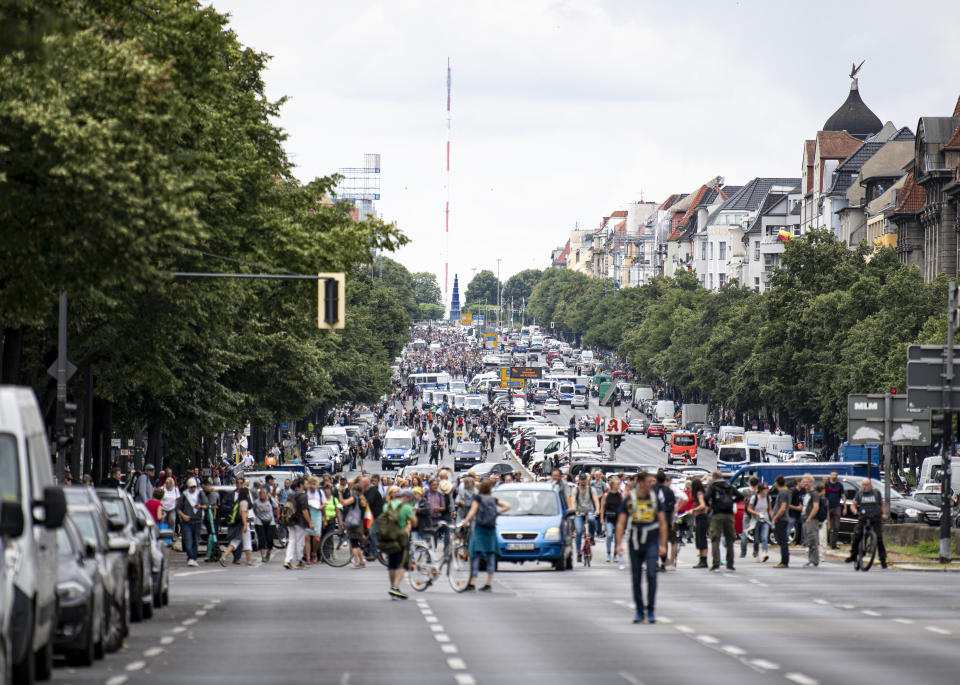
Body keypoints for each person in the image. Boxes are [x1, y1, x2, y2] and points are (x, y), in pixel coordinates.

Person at [615, 472, 668, 624]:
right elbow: (620, 523)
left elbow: (663, 523)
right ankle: (639, 610)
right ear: (641, 482)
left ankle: (650, 609)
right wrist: (619, 544)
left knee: (652, 574)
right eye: (650, 481)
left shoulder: (655, 499)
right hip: (635, 541)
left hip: (651, 540)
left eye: (654, 481)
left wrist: (663, 545)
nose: (653, 484)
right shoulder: (630, 499)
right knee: (636, 577)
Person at [462, 478, 510, 591]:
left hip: (479, 529)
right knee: (490, 556)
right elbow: (507, 506)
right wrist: (496, 513)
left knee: (475, 556)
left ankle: (472, 583)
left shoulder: (478, 498)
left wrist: (465, 521)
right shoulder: (493, 500)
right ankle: (488, 584)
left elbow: (473, 511)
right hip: (491, 530)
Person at [381, 488, 417, 599]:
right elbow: (414, 522)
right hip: (401, 537)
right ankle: (395, 587)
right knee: (403, 563)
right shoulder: (406, 507)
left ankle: (393, 587)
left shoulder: (387, 506)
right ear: (407, 497)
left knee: (392, 563)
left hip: (389, 537)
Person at [845, 478, 888, 570]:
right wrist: (854, 510)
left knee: (879, 539)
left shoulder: (876, 493)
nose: (865, 487)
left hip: (875, 517)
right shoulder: (860, 493)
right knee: (857, 535)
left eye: (866, 485)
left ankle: (883, 559)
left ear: (870, 485)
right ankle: (853, 554)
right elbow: (853, 504)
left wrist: (884, 513)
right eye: (863, 485)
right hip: (863, 517)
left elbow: (882, 503)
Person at [705, 471, 742, 571]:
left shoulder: (713, 487)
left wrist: (710, 505)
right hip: (729, 514)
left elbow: (706, 497)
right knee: (730, 539)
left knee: (715, 539)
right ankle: (730, 563)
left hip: (717, 514)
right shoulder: (728, 486)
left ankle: (716, 563)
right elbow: (740, 496)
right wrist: (731, 501)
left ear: (714, 477)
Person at [176, 478, 207, 567]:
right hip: (187, 521)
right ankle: (191, 556)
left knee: (196, 540)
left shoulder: (200, 493)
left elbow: (207, 505)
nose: (192, 489)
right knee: (188, 540)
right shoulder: (185, 495)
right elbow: (178, 508)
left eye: (194, 487)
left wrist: (201, 506)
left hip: (197, 520)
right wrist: (183, 516)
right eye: (191, 487)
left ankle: (192, 558)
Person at [219, 486, 254, 567]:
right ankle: (249, 561)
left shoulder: (238, 501)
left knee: (235, 541)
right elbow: (243, 513)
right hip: (243, 524)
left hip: (238, 524)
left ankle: (224, 556)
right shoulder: (244, 502)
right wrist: (245, 524)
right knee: (247, 542)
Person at [283, 478, 311, 570]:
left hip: (291, 520)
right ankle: (299, 561)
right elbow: (304, 510)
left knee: (292, 541)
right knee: (300, 542)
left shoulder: (291, 494)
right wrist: (310, 522)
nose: (308, 485)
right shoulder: (303, 496)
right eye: (306, 483)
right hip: (300, 521)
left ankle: (287, 560)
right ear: (301, 485)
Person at [572, 473, 599, 563]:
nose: (583, 481)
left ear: (587, 480)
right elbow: (573, 501)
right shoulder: (576, 490)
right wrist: (574, 511)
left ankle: (591, 536)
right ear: (579, 480)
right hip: (579, 512)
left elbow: (596, 500)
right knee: (579, 531)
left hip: (589, 511)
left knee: (592, 519)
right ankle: (579, 552)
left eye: (584, 479)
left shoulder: (591, 489)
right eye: (581, 479)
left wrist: (597, 510)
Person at [654, 470, 676, 570]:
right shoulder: (669, 491)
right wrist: (671, 521)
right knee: (664, 540)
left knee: (654, 540)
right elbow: (673, 508)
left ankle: (654, 561)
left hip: (654, 518)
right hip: (666, 518)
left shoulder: (652, 489)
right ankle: (663, 562)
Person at [599, 476, 622, 564]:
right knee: (609, 535)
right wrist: (601, 518)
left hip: (618, 518)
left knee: (617, 537)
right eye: (617, 484)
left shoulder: (620, 495)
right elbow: (602, 507)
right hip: (609, 518)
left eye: (619, 484)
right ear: (612, 485)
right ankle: (608, 553)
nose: (618, 486)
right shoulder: (606, 495)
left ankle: (615, 554)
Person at [770, 475, 792, 568]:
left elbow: (782, 507)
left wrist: (776, 517)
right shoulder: (786, 491)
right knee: (782, 540)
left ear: (777, 483)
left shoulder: (783, 493)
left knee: (782, 540)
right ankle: (785, 559)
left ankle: (784, 561)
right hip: (784, 518)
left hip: (781, 519)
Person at [747, 481, 770, 562]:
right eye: (765, 488)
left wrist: (773, 518)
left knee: (764, 537)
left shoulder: (768, 498)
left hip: (765, 519)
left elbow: (769, 510)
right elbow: (749, 509)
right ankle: (756, 553)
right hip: (756, 520)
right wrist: (756, 513)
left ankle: (764, 553)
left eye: (767, 488)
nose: (767, 489)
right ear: (761, 490)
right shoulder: (754, 498)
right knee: (756, 539)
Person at [254, 487, 277, 563]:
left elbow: (276, 507)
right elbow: (254, 509)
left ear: (267, 494)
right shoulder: (257, 502)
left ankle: (269, 551)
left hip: (270, 521)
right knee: (262, 539)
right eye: (261, 493)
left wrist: (277, 516)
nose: (262, 495)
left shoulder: (270, 500)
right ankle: (263, 556)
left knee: (270, 539)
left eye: (264, 493)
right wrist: (257, 515)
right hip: (260, 521)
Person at [689, 477, 709, 568]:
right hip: (699, 517)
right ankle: (701, 559)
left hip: (702, 517)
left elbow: (702, 505)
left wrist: (694, 509)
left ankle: (703, 560)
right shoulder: (701, 492)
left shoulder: (699, 493)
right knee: (699, 538)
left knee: (701, 539)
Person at [305, 477, 326, 564]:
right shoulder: (306, 493)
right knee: (307, 536)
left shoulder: (320, 492)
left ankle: (314, 553)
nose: (313, 487)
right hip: (308, 514)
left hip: (317, 514)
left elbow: (324, 503)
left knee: (317, 538)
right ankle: (308, 557)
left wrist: (321, 507)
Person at [802, 478, 822, 568]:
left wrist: (809, 517)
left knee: (813, 540)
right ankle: (811, 560)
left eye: (807, 482)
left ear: (811, 483)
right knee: (809, 541)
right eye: (804, 482)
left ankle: (814, 560)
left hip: (811, 520)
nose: (805, 484)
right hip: (805, 519)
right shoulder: (806, 494)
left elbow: (816, 507)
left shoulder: (814, 494)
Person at [823, 471, 845, 549]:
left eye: (835, 475)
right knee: (826, 526)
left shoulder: (839, 485)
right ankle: (825, 542)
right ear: (830, 475)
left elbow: (843, 495)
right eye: (833, 475)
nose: (834, 476)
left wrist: (845, 506)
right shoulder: (826, 484)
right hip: (827, 507)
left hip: (836, 507)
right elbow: (822, 494)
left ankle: (833, 544)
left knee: (836, 526)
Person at [364, 476, 384, 560]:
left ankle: (375, 552)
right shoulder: (366, 491)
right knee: (368, 533)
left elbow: (369, 501)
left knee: (372, 533)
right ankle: (368, 551)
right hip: (371, 516)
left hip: (377, 516)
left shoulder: (373, 490)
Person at [740, 476, 760, 559]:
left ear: (749, 482)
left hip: (746, 512)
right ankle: (755, 552)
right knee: (756, 534)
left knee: (744, 532)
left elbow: (741, 501)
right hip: (756, 513)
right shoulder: (758, 492)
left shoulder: (745, 491)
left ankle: (743, 552)